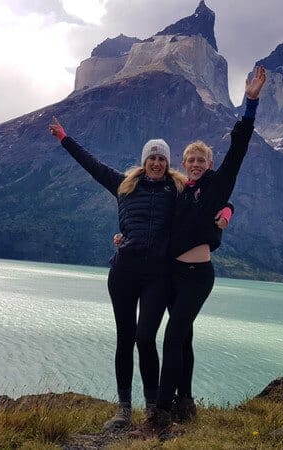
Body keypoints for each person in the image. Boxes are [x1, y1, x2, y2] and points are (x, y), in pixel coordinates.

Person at [142, 65, 267, 436]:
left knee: (173, 336)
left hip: (198, 278)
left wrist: (251, 103)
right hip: (170, 276)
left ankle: (161, 413)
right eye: (190, 161)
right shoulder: (176, 191)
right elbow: (151, 219)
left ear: (209, 164)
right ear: (184, 165)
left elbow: (240, 146)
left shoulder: (217, 187)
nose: (196, 165)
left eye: (202, 161)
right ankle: (186, 402)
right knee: (185, 339)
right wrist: (125, 238)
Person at [48, 119, 186, 431]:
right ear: (144, 161)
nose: (156, 162)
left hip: (158, 276)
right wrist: (64, 138)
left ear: (167, 163)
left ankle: (153, 408)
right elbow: (91, 165)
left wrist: (226, 211)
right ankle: (124, 409)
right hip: (124, 272)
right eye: (151, 157)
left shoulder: (177, 191)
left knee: (145, 338)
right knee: (125, 339)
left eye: (161, 158)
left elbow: (210, 193)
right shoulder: (124, 184)